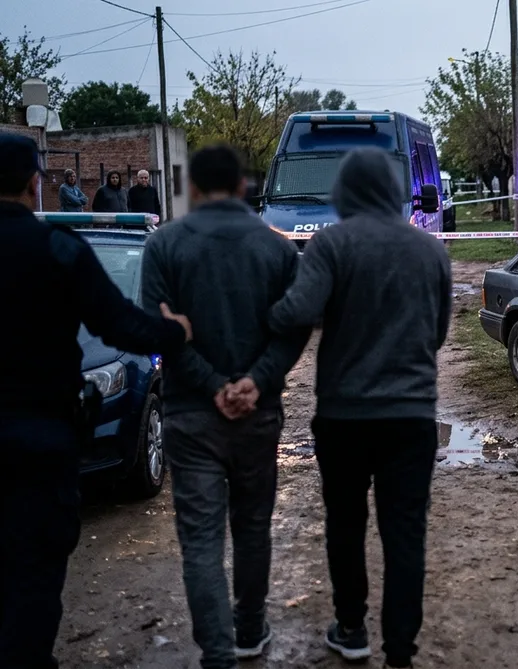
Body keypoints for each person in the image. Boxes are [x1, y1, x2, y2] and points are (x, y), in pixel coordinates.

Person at [0, 132, 192, 669]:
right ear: (34, 182)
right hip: (40, 447)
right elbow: (122, 326)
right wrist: (175, 332)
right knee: (34, 580)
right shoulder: (59, 250)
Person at [260, 146, 451, 669]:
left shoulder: (331, 244)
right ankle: (400, 652)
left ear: (344, 191)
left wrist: (265, 310)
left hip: (344, 417)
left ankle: (350, 629)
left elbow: (298, 311)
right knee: (405, 533)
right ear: (393, 190)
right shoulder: (430, 250)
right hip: (411, 417)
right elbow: (436, 333)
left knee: (345, 524)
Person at [140, 144, 310, 669]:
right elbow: (295, 326)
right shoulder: (277, 249)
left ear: (191, 188)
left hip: (191, 416)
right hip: (257, 416)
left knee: (201, 542)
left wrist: (213, 385)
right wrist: (255, 382)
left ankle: (218, 655)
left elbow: (159, 330)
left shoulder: (164, 245)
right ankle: (250, 629)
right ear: (241, 187)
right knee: (253, 528)